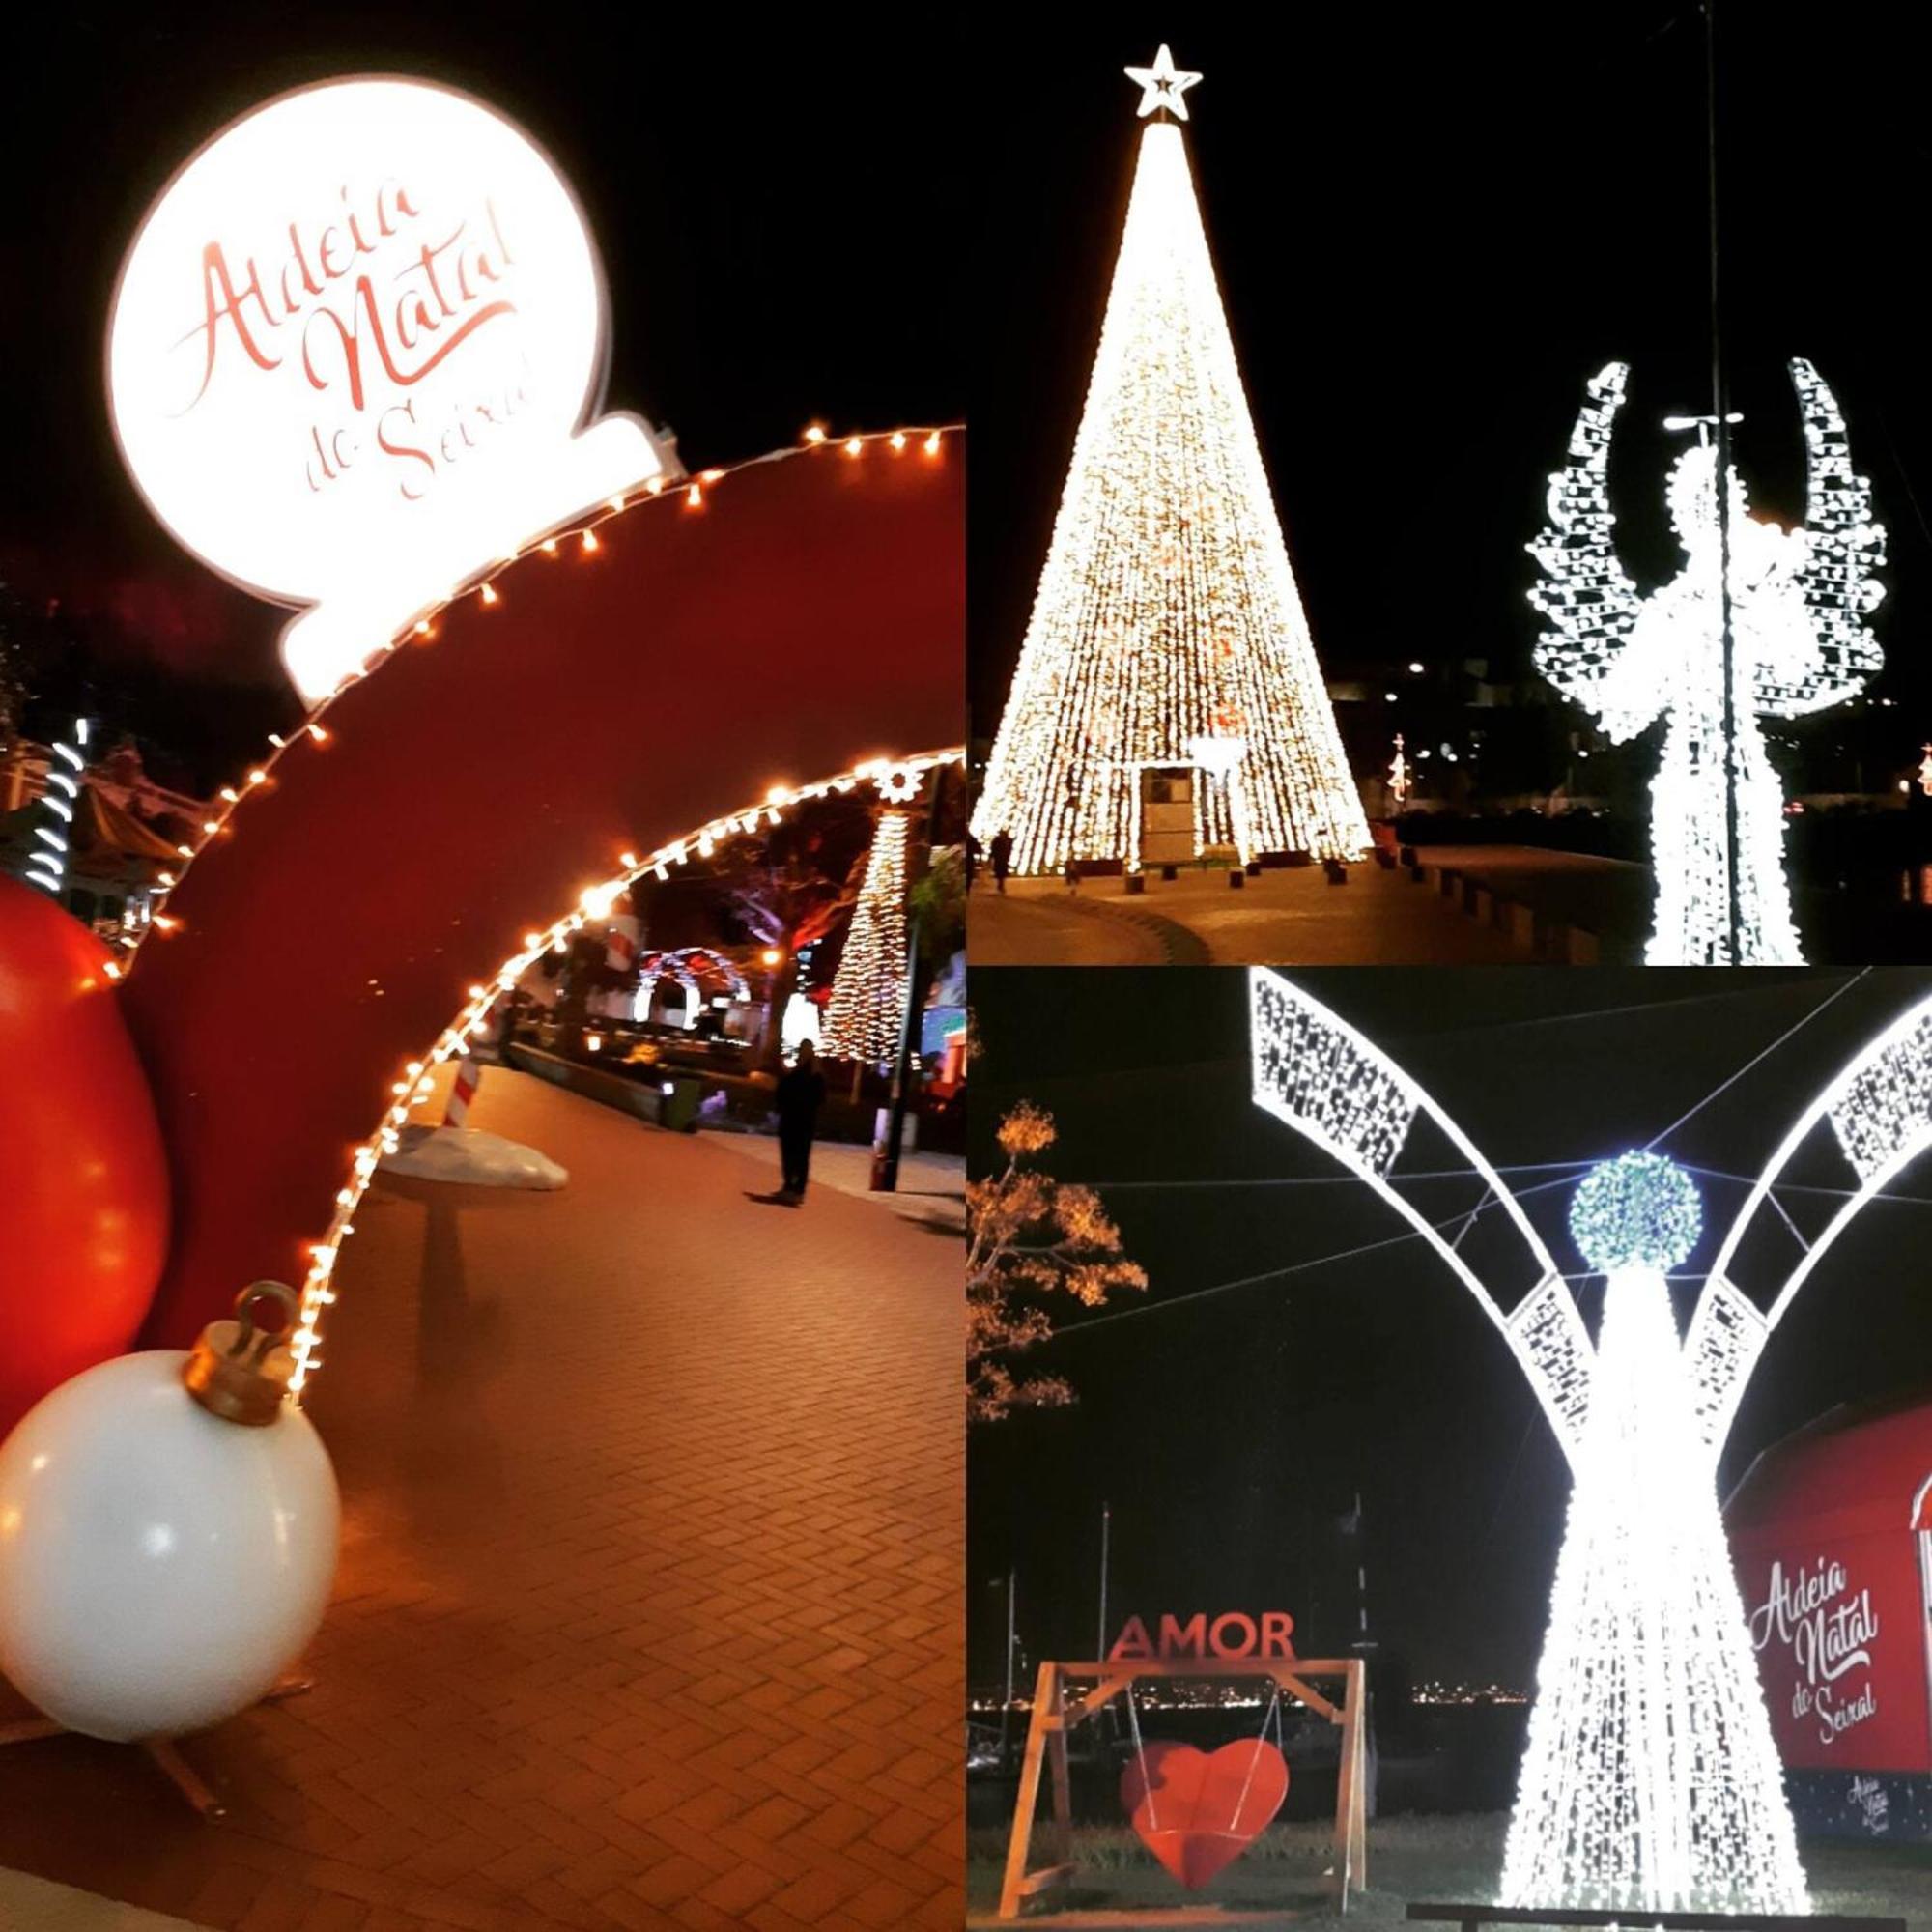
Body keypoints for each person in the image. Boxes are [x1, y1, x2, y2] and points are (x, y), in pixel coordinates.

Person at [774, 1039, 828, 1204]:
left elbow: (783, 1093)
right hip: (803, 1122)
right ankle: (795, 1187)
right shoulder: (815, 1075)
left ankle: (792, 1187)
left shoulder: (801, 1075)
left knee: (792, 1155)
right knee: (799, 1156)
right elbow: (820, 1099)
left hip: (794, 1120)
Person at [989, 828, 1013, 895]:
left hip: (1002, 859)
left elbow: (1009, 849)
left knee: (1001, 873)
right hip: (999, 859)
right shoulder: (998, 840)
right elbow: (993, 848)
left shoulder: (1006, 840)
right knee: (1000, 873)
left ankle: (1000, 885)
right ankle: (1000, 885)